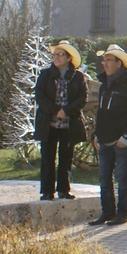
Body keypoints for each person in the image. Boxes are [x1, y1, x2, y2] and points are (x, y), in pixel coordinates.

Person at [88, 45, 127, 226]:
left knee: (122, 177)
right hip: (104, 139)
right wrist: (97, 135)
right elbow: (101, 113)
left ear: (119, 63)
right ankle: (107, 212)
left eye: (108, 60)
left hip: (121, 140)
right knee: (104, 178)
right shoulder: (104, 85)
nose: (104, 64)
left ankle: (122, 212)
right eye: (103, 60)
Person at [34, 41, 87, 201]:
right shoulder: (45, 74)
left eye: (60, 55)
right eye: (54, 54)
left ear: (69, 58)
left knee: (66, 157)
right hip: (48, 123)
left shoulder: (78, 77)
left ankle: (64, 189)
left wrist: (66, 111)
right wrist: (55, 110)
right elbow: (39, 95)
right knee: (47, 157)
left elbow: (82, 98)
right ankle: (47, 191)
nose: (56, 58)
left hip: (68, 124)